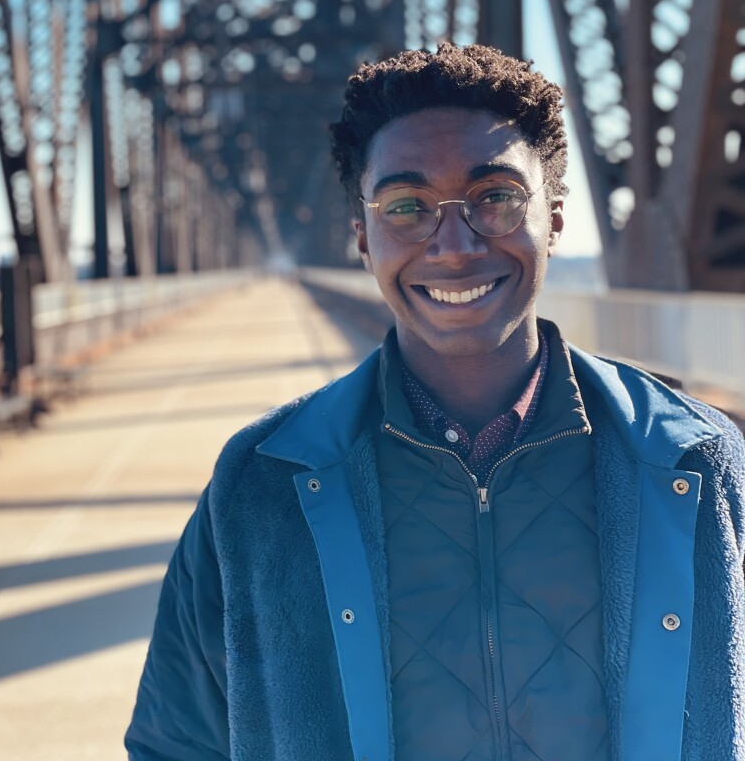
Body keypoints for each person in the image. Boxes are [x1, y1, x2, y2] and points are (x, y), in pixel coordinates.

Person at [125, 44, 745, 761]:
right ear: (362, 235)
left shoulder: (692, 462)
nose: (453, 245)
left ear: (553, 219)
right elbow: (177, 745)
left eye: (497, 197)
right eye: (407, 206)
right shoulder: (261, 484)